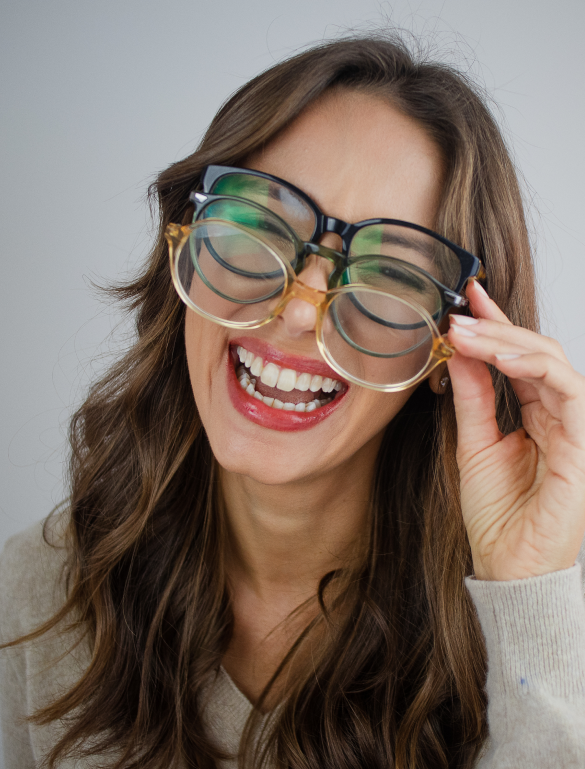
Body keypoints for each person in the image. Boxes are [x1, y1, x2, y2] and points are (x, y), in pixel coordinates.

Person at [1, 34, 585, 769]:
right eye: (258, 225)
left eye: (386, 275)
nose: (303, 310)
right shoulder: (32, 596)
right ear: (186, 245)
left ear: (451, 347)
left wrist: (527, 591)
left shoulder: (540, 634)